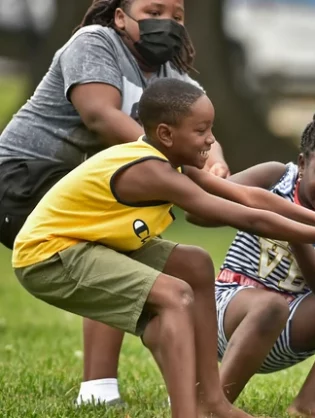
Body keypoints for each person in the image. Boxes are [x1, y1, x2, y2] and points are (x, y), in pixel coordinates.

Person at [11, 78, 315, 418]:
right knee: (175, 295)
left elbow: (252, 196)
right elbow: (250, 218)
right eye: (201, 131)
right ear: (167, 135)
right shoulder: (153, 170)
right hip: (49, 256)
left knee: (196, 263)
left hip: (89, 242)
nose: (212, 140)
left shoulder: (168, 159)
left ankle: (212, 402)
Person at [0, 0, 230, 405]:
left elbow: (201, 132)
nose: (167, 24)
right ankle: (98, 386)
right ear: (121, 17)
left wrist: (215, 165)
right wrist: (182, 173)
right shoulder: (95, 42)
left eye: (177, 16)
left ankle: (200, 397)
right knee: (116, 231)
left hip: (81, 184)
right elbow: (100, 116)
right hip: (23, 178)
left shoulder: (169, 73)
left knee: (176, 274)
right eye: (154, 11)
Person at [199, 87, 315, 417]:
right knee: (269, 305)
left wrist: (294, 235)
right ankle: (212, 406)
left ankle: (307, 402)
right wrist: (232, 193)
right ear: (302, 163)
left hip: (287, 331)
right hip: (229, 312)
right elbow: (199, 213)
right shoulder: (274, 177)